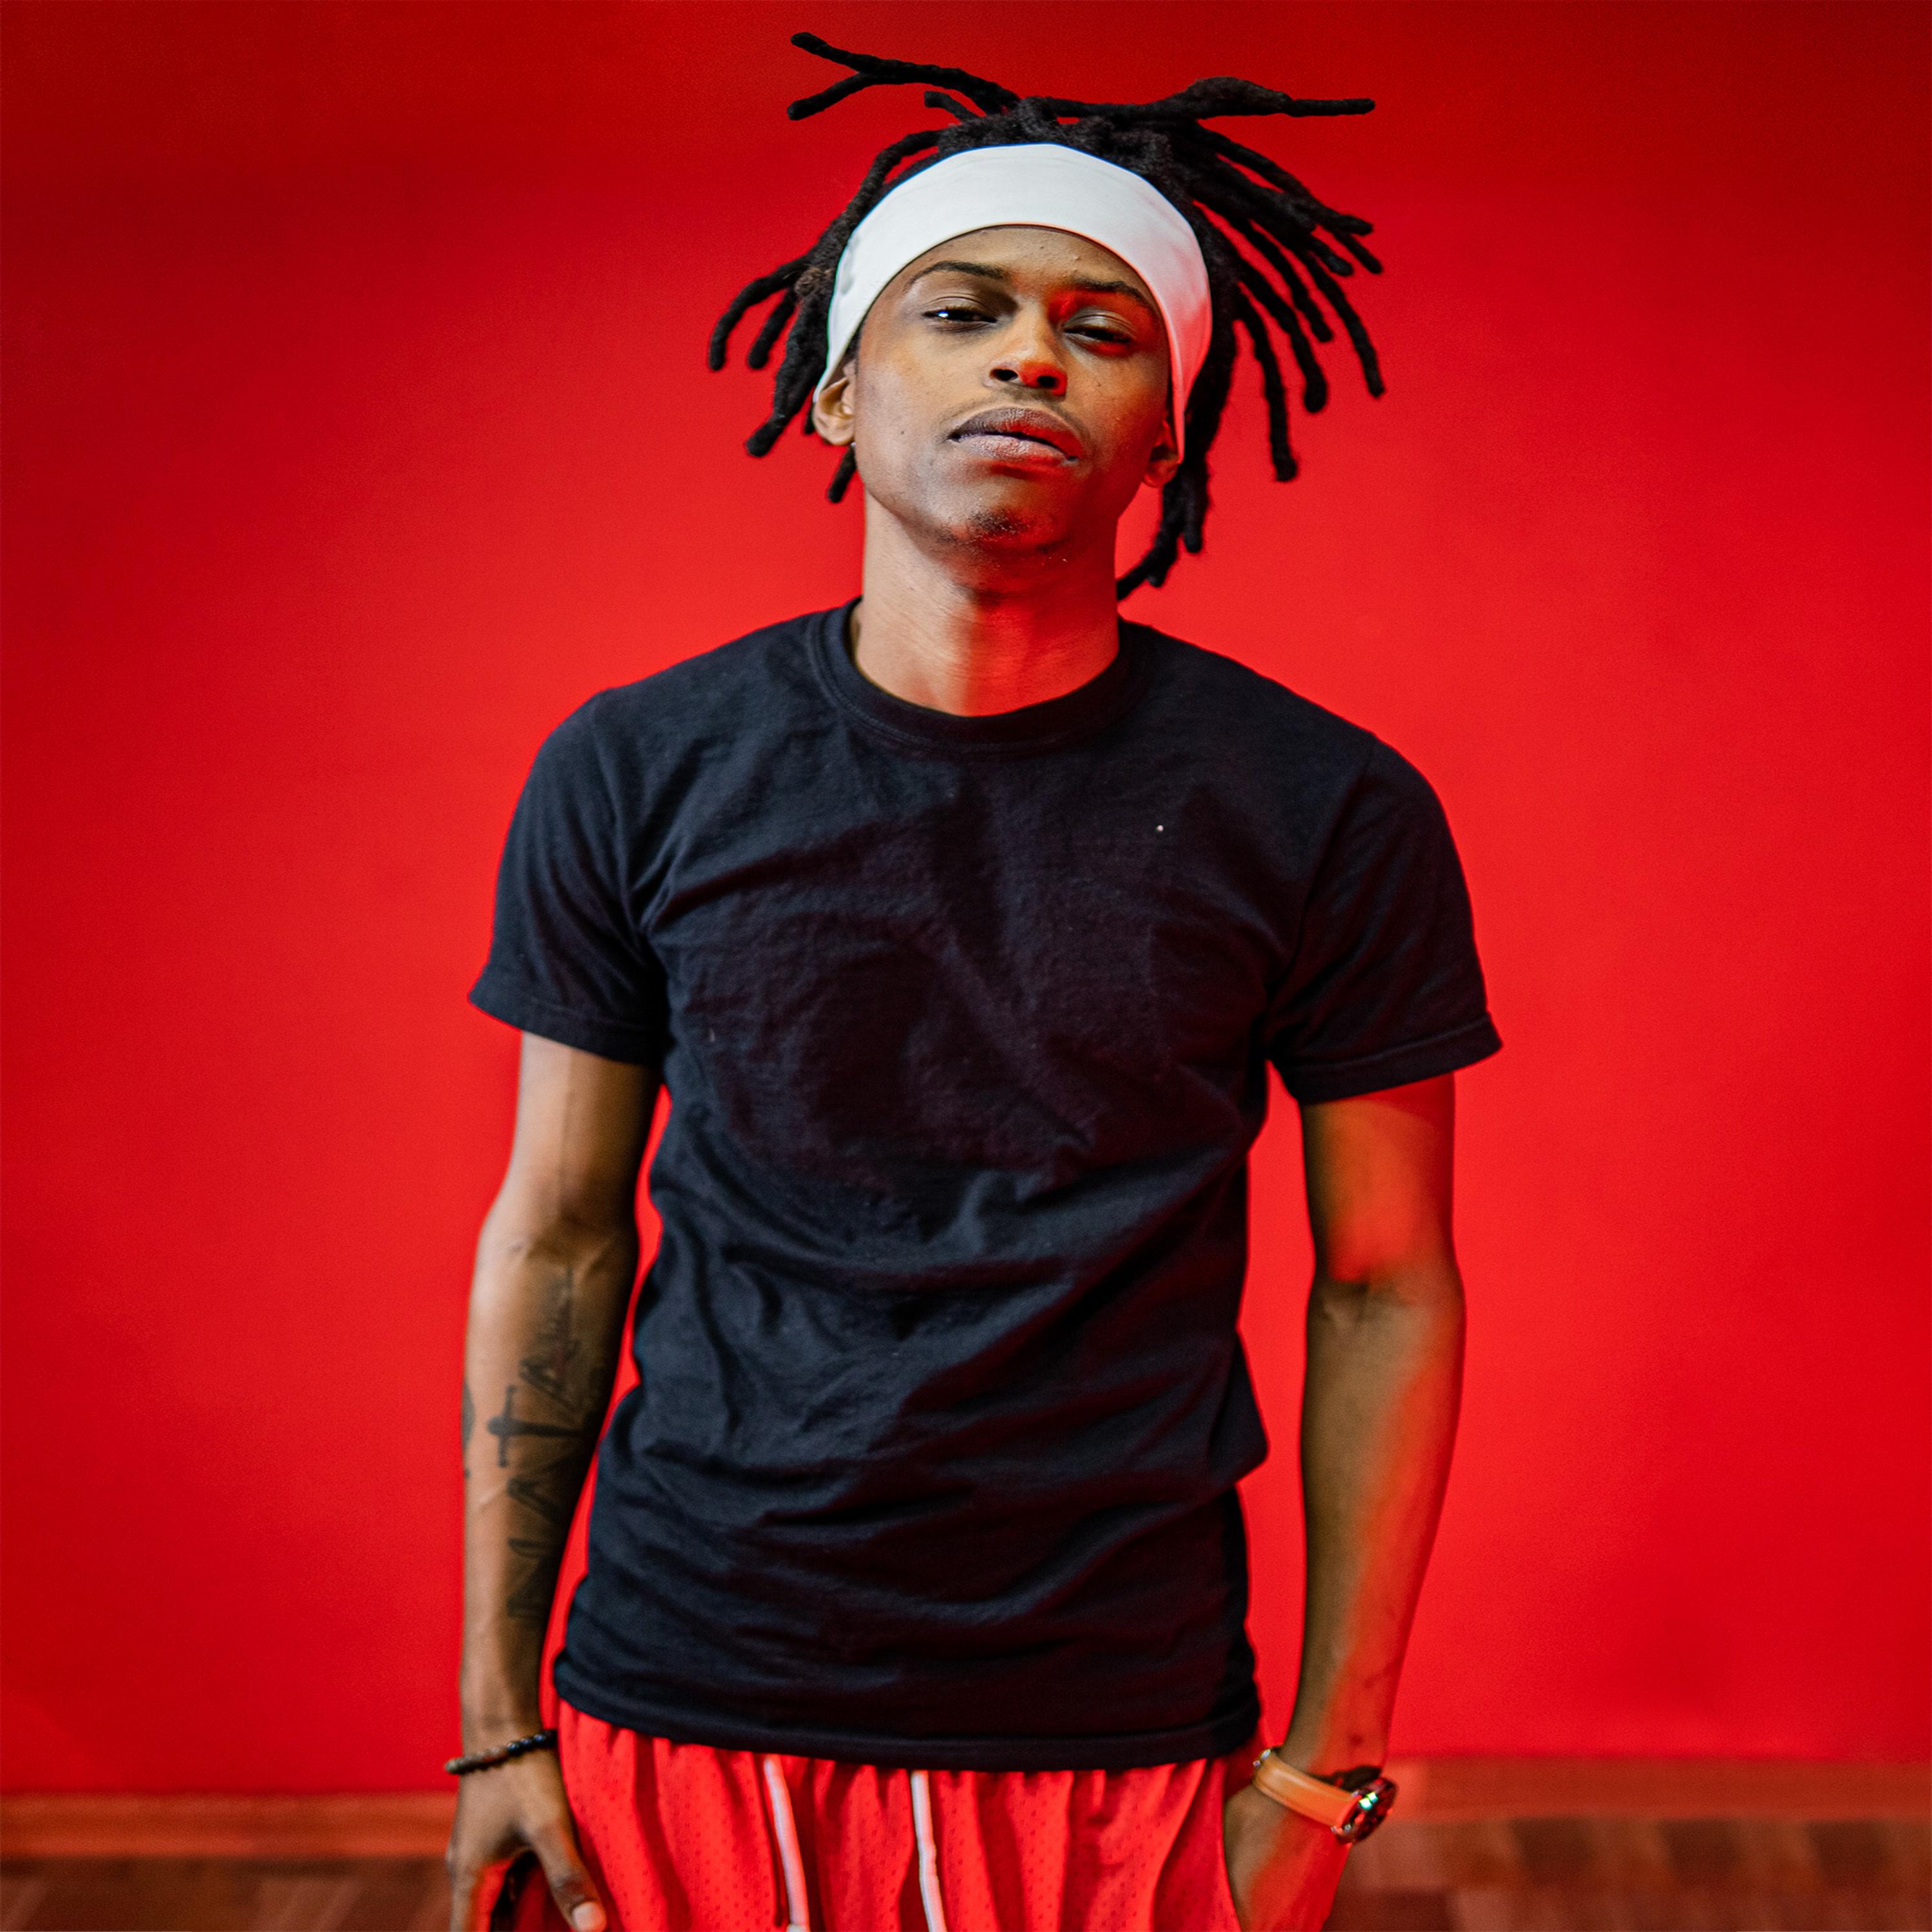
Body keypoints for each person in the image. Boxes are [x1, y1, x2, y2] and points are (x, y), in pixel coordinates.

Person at [446, 35, 1501, 1932]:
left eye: (1103, 330)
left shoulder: (1327, 809)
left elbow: (1386, 1285)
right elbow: (559, 1231)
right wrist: (493, 1723)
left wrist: (1324, 1777)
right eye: (966, 310)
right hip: (683, 1687)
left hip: (1119, 1720)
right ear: (839, 391)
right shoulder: (637, 768)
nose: (1033, 357)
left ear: (1168, 433)